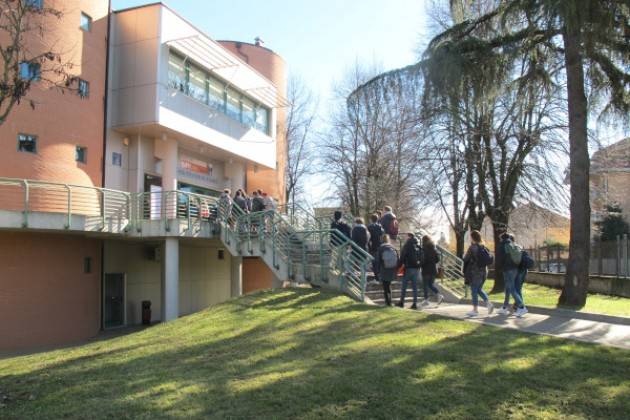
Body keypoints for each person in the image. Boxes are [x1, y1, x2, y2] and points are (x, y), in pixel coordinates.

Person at [495, 232, 528, 317]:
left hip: (507, 269)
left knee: (512, 288)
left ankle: (521, 307)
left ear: (502, 238)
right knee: (509, 288)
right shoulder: (512, 245)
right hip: (515, 269)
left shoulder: (503, 245)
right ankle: (505, 307)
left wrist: (499, 268)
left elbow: (499, 259)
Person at [463, 230, 494, 317]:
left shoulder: (472, 247)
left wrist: (464, 255)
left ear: (472, 237)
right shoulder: (483, 247)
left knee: (474, 290)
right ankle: (489, 304)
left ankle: (475, 310)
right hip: (484, 271)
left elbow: (465, 259)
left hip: (475, 272)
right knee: (479, 289)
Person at [396, 233, 422, 309]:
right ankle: (414, 304)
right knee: (415, 287)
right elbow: (422, 258)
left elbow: (402, 257)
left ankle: (401, 302)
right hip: (416, 269)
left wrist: (398, 267)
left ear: (409, 238)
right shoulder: (418, 247)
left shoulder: (407, 246)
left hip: (408, 269)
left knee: (404, 286)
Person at [375, 234, 399, 306]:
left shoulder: (381, 248)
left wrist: (377, 271)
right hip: (392, 269)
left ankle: (388, 302)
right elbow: (398, 258)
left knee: (385, 286)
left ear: (381, 240)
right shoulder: (393, 247)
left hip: (384, 269)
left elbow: (378, 260)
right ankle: (390, 301)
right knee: (389, 285)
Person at [420, 235, 444, 306]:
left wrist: (420, 264)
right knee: (430, 284)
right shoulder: (434, 248)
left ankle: (426, 300)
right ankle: (439, 295)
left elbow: (423, 260)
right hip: (433, 270)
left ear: (423, 241)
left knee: (425, 285)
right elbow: (438, 259)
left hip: (426, 270)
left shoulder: (424, 249)